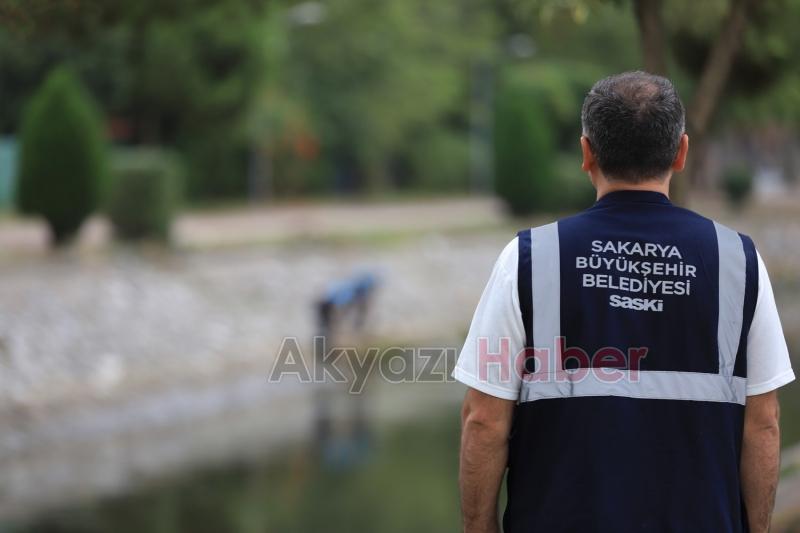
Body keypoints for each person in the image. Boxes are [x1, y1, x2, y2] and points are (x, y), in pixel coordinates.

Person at [453, 71, 795, 533]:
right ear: (681, 153)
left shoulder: (531, 258)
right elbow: (764, 424)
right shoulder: (738, 261)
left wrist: (478, 526)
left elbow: (484, 420)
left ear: (586, 152)